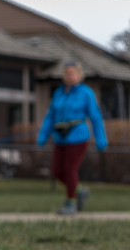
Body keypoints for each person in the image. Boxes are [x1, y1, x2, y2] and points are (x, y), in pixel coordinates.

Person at [37, 61, 107, 215]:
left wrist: (100, 139)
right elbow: (50, 116)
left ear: (79, 75)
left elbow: (95, 116)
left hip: (78, 137)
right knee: (57, 171)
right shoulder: (58, 93)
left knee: (69, 170)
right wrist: (43, 135)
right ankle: (80, 190)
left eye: (72, 73)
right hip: (60, 137)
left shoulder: (86, 93)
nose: (69, 76)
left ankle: (70, 202)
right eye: (66, 73)